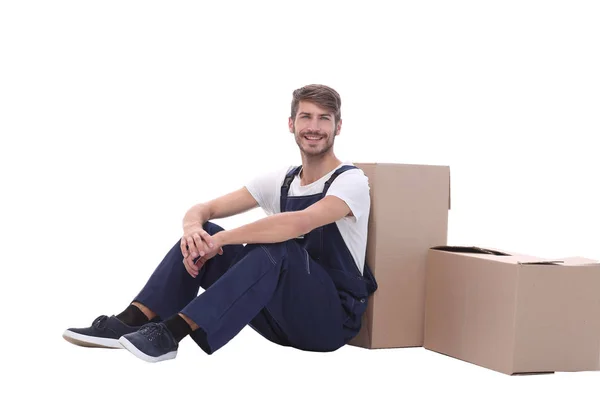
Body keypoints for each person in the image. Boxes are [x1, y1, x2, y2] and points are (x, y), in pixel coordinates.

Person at [62, 84, 378, 363]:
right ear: (291, 124)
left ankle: (172, 332)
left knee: (278, 248)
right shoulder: (282, 180)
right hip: (280, 322)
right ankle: (133, 319)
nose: (314, 127)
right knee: (206, 233)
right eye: (307, 117)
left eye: (324, 118)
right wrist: (194, 233)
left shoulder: (350, 181)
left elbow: (299, 223)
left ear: (338, 127)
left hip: (329, 323)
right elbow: (204, 208)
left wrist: (223, 242)